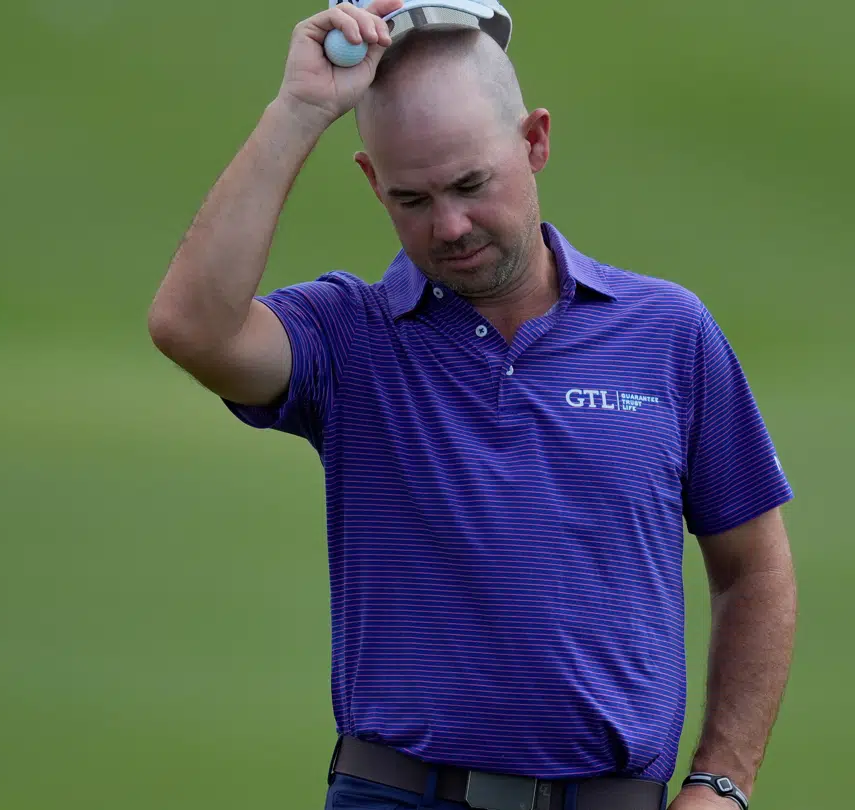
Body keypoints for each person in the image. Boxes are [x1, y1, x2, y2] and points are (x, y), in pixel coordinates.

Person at [147, 2, 798, 808]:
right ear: (371, 183)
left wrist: (722, 783)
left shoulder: (668, 332)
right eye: (411, 199)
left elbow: (754, 566)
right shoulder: (348, 336)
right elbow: (190, 327)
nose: (449, 226)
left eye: (469, 184)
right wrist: (301, 110)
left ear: (535, 142)